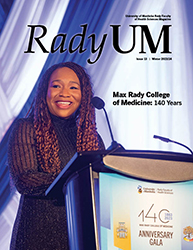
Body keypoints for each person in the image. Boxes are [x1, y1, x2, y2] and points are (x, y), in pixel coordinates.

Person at [8, 62, 105, 250]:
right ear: (45, 92)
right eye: (56, 86)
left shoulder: (92, 139)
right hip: (37, 236)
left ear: (83, 96)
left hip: (81, 236)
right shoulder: (27, 128)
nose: (64, 93)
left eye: (73, 87)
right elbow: (25, 179)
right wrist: (73, 181)